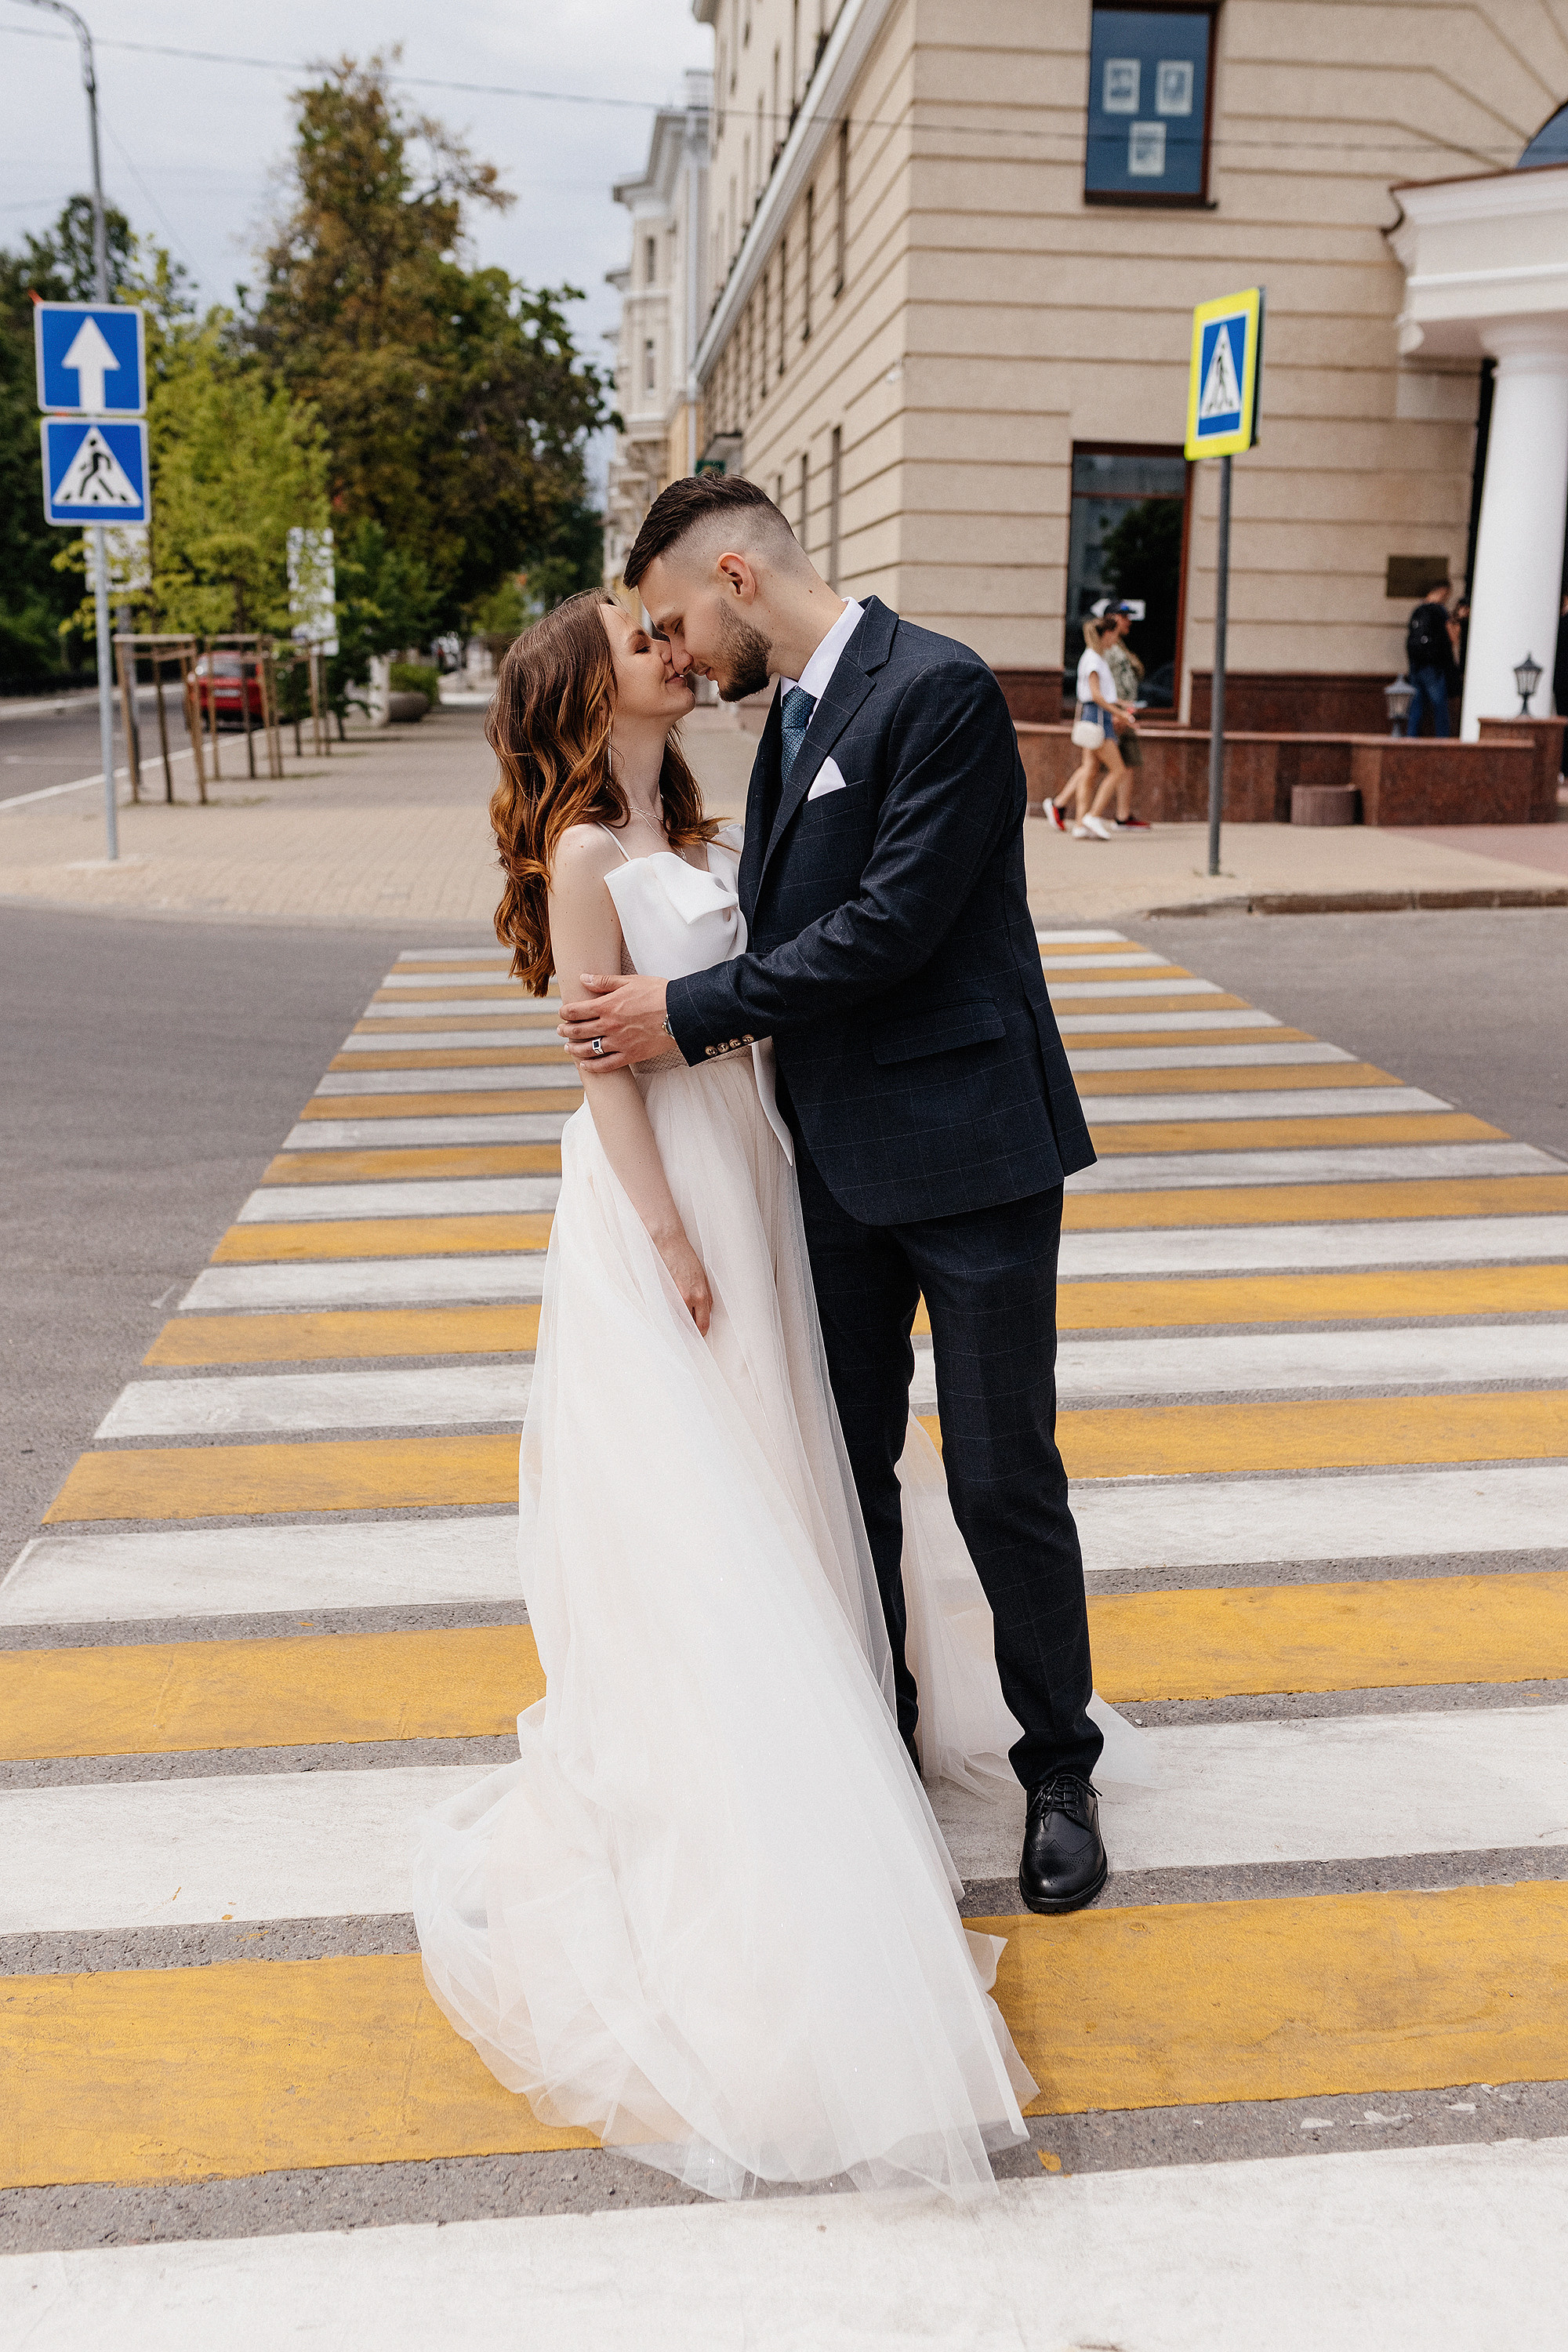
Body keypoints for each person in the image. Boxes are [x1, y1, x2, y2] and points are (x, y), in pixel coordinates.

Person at [412, 575, 1146, 2203]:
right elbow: (601, 1052)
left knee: (954, 1466)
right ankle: (817, 1736)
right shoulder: (595, 851)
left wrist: (701, 1047)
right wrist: (666, 1228)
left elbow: (854, 937)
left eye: (666, 626)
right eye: (637, 647)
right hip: (694, 1190)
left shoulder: (802, 754)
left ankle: (1051, 1763)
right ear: (587, 702)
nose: (668, 655)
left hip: (812, 1159)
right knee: (759, 1476)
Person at [1043, 616, 1126, 837]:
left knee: (1089, 771)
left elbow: (1099, 694)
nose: (1117, 639)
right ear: (1106, 634)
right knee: (1118, 770)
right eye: (1115, 634)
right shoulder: (1094, 660)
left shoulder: (1095, 657)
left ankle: (1080, 824)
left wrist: (1120, 706)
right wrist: (1120, 713)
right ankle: (1093, 815)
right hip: (1098, 717)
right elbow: (1096, 695)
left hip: (1096, 715)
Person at [1098, 603, 1151, 831]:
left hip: (1123, 712)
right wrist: (1115, 711)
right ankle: (1070, 809)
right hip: (1115, 714)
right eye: (1123, 616)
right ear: (1111, 619)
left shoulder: (1119, 645)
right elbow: (1104, 683)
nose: (1128, 621)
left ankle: (1122, 815)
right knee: (1097, 767)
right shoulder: (1107, 647)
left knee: (1126, 763)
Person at [1405, 579, 1453, 737]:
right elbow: (1450, 638)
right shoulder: (1439, 611)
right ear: (1442, 591)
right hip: (1433, 667)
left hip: (1416, 666)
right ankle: (1443, 740)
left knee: (1416, 707)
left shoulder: (1418, 610)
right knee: (1439, 706)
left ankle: (1410, 739)